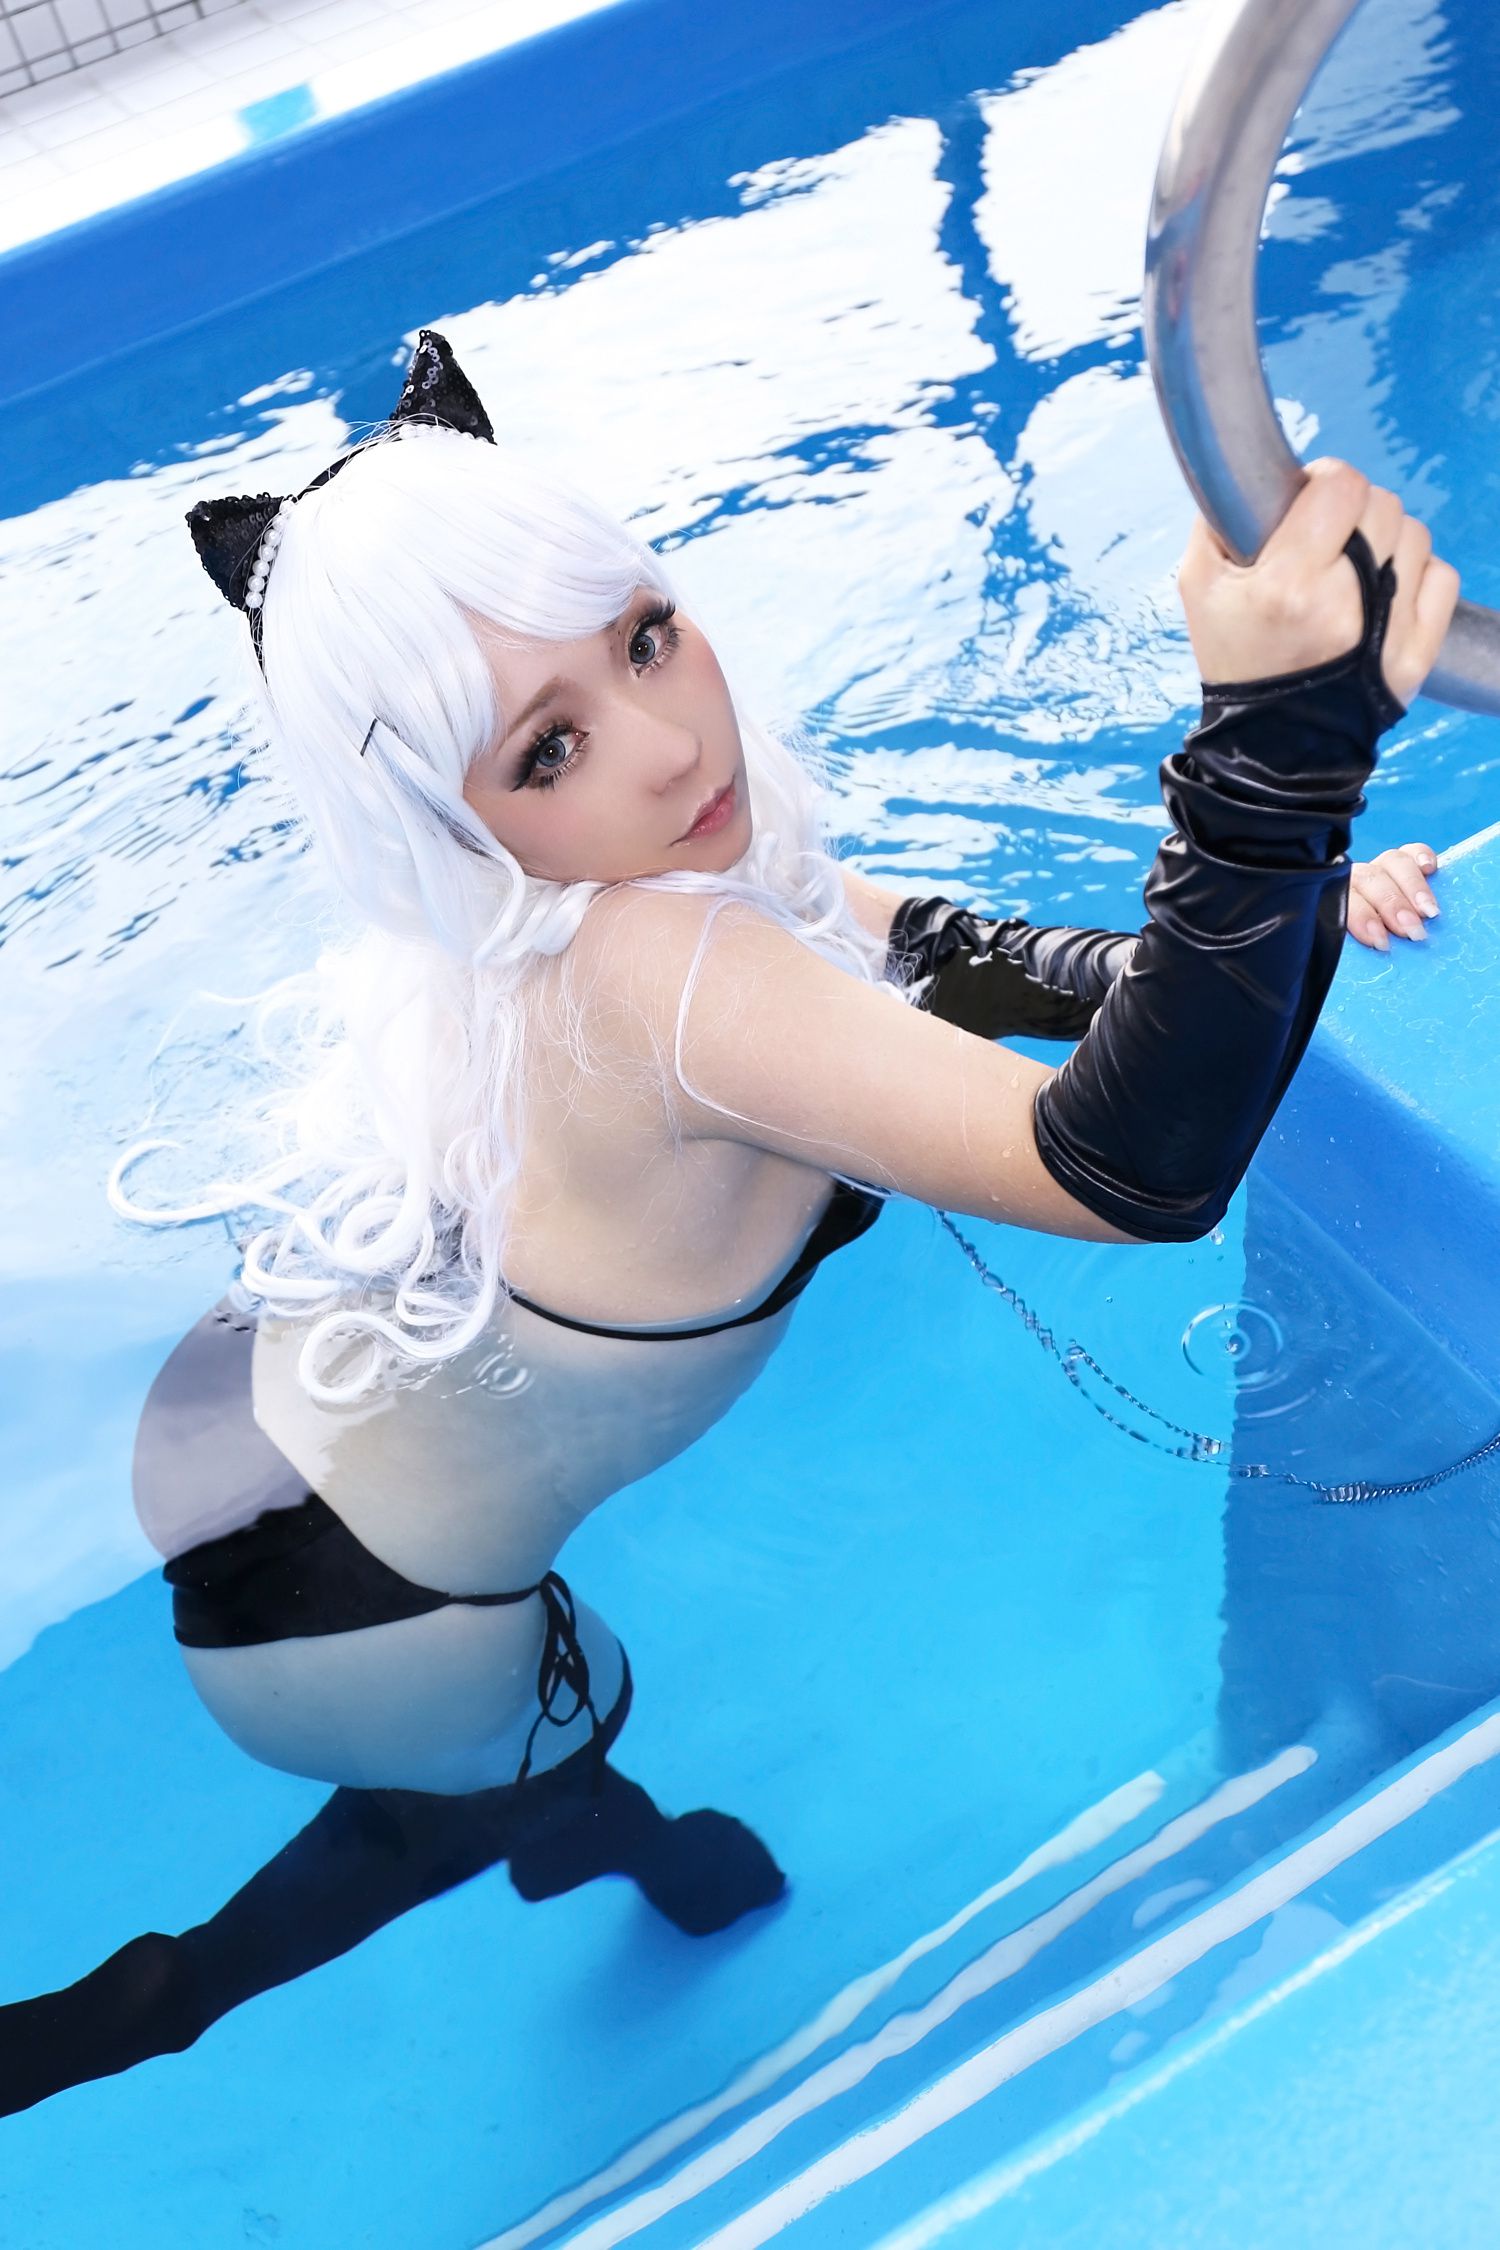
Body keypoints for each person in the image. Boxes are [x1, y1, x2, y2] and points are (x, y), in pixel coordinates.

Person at [0, 332, 1458, 2117]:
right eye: (549, 745)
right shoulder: (660, 962)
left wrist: (1291, 902)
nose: (672, 738)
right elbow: (1133, 1173)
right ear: (450, 818)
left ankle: (562, 1817)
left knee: (539, 1743)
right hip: (373, 1612)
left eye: (641, 634)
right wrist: (1281, 760)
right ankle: (165, 1995)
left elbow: (980, 964)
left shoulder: (571, 897)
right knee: (526, 1772)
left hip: (242, 1422)